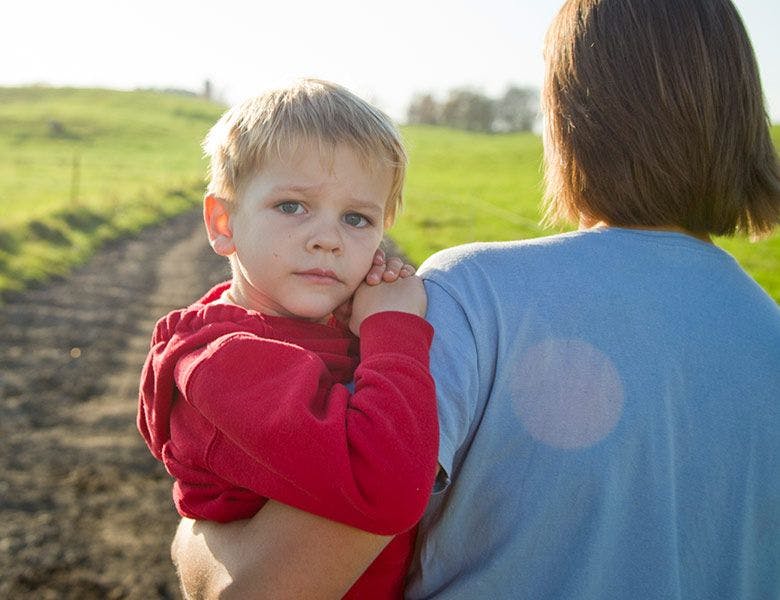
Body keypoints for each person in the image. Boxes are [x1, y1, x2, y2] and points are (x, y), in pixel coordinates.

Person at [170, 1, 780, 598]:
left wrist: (192, 535)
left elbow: (259, 588)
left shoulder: (476, 298)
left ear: (569, 116)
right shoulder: (767, 329)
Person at [136, 79, 440, 599]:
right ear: (223, 221)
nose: (328, 238)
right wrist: (392, 329)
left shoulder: (303, 327)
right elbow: (389, 491)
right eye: (292, 206)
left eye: (356, 218)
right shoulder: (226, 362)